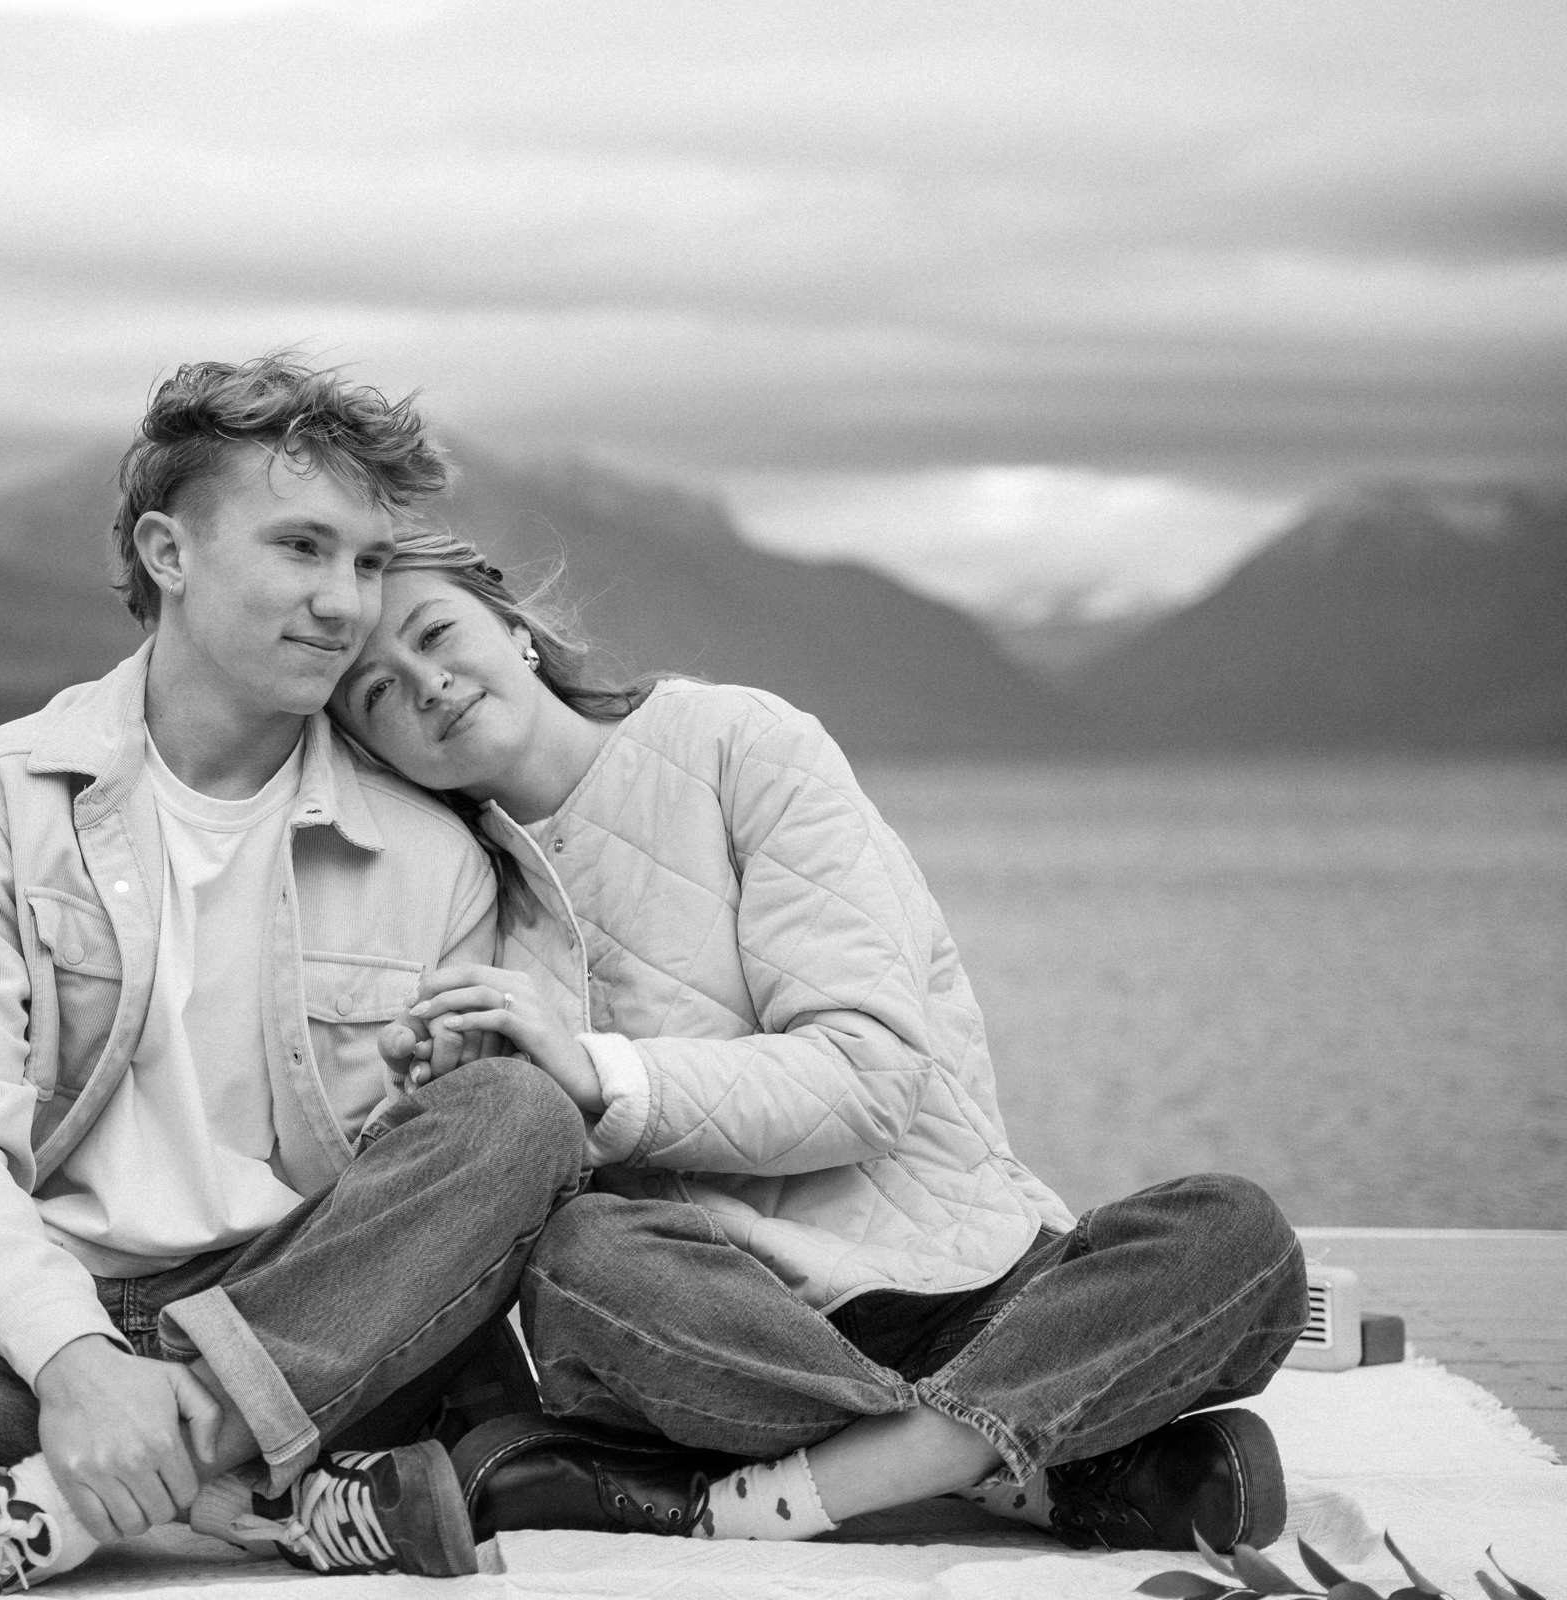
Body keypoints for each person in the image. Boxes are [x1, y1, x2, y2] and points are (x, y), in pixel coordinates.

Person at [0, 356, 589, 1600]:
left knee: (517, 1116)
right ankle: (264, 1494)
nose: (344, 603)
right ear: (168, 551)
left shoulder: (431, 852)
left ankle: (40, 1512)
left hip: (293, 1310)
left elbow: (403, 1223)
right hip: (39, 1311)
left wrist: (427, 1105)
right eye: (302, 547)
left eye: (369, 562)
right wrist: (75, 1363)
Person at [326, 531, 1313, 1554]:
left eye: (434, 633)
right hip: (744, 1330)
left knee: (1231, 1232)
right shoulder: (461, 890)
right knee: (580, 1263)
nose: (426, 685)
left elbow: (868, 1077)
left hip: (974, 1284)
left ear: (515, 628)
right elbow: (530, 1201)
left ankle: (755, 1501)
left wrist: (598, 1071)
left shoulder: (739, 743)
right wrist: (452, 1100)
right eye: (375, 693)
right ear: (373, 751)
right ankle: (1018, 1464)